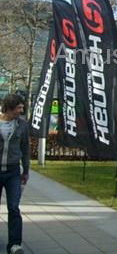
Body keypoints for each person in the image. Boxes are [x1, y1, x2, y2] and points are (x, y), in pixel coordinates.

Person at [0, 94, 30, 254]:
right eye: (19, 107)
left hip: (13, 172)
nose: (21, 110)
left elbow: (25, 149)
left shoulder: (22, 124)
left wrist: (26, 170)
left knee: (13, 207)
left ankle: (14, 244)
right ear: (10, 108)